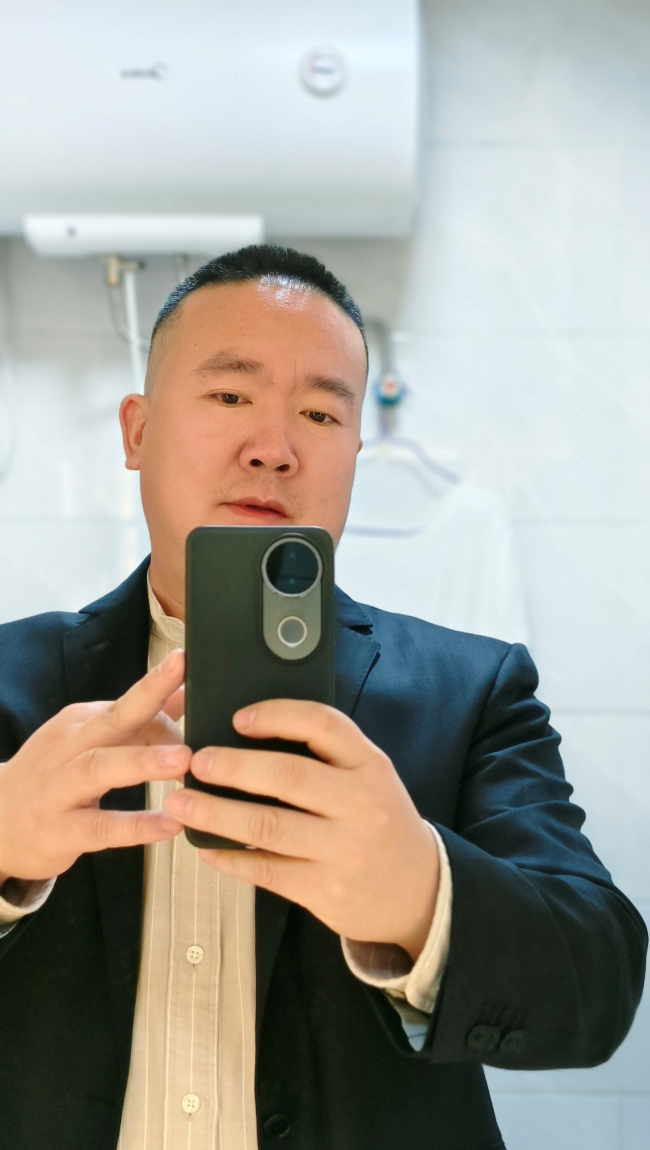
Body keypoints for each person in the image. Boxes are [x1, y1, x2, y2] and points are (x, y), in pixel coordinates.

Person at [0, 245, 646, 1150]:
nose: (274, 447)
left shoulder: (473, 690)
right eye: (231, 396)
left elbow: (598, 984)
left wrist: (420, 894)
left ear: (353, 454)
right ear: (137, 432)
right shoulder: (10, 683)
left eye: (319, 412)